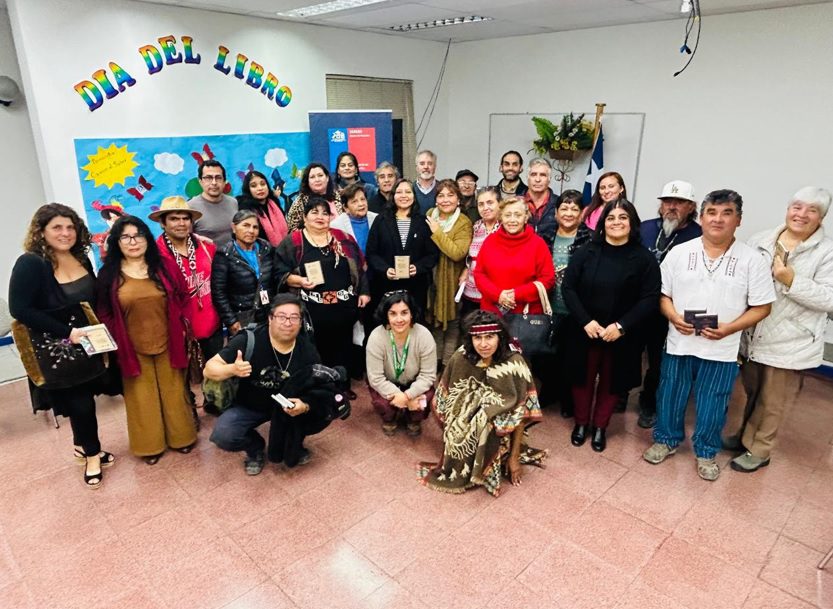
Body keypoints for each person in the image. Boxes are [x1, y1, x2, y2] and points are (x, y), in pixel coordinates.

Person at [643, 189, 775, 481]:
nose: (718, 219)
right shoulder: (680, 253)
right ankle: (665, 439)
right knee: (670, 394)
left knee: (713, 402)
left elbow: (763, 306)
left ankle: (705, 451)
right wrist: (673, 317)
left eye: (727, 213)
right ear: (701, 217)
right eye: (712, 213)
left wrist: (729, 328)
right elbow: (663, 295)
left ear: (738, 220)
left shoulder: (752, 260)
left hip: (721, 347)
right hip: (679, 342)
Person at [726, 187, 833, 472]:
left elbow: (829, 298)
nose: (802, 214)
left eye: (812, 210)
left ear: (821, 217)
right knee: (753, 392)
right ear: (788, 209)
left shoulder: (827, 252)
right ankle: (745, 437)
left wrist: (791, 280)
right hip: (753, 334)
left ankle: (760, 449)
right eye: (797, 207)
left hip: (791, 338)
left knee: (772, 401)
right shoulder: (761, 240)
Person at [9, 203, 114, 489]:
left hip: (88, 341)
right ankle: (92, 455)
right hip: (61, 345)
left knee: (86, 397)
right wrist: (68, 332)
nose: (65, 233)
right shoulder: (31, 263)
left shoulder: (81, 257)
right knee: (81, 403)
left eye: (70, 227)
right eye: (57, 227)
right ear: (41, 232)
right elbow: (20, 309)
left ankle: (82, 445)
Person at [97, 216, 197, 465]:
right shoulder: (108, 274)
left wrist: (182, 327)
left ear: (147, 238)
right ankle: (149, 446)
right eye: (126, 237)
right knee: (141, 397)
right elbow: (104, 311)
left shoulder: (164, 265)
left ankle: (182, 438)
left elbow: (184, 296)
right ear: (117, 242)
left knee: (174, 391)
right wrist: (116, 338)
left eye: (138, 235)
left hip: (169, 340)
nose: (133, 242)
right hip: (131, 345)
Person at [561, 200, 660, 452]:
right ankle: (581, 423)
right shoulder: (586, 251)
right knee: (582, 379)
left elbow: (650, 298)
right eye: (611, 217)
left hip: (622, 334)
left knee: (612, 381)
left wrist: (622, 326)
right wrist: (585, 320)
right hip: (585, 329)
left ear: (632, 222)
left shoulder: (645, 259)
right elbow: (568, 288)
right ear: (603, 223)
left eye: (622, 217)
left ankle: (600, 427)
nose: (616, 222)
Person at [418, 310, 548, 496]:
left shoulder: (515, 364)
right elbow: (445, 396)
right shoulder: (461, 357)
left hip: (501, 423)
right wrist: (460, 419)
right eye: (477, 338)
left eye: (489, 337)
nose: (484, 344)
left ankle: (493, 457)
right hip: (466, 417)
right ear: (470, 339)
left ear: (500, 337)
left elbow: (523, 412)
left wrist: (514, 459)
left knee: (486, 425)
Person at [206, 294, 330, 473]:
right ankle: (255, 448)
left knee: (320, 412)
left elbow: (318, 389)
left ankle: (293, 443)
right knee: (224, 434)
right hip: (250, 405)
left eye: (294, 317)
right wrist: (232, 369)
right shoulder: (249, 340)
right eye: (282, 316)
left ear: (300, 322)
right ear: (270, 319)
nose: (288, 323)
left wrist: (304, 405)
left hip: (286, 408)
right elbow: (209, 369)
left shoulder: (307, 351)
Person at [274, 196, 370, 382]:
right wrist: (299, 280)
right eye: (314, 212)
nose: (320, 217)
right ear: (304, 217)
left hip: (344, 308)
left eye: (325, 213)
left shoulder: (344, 238)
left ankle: (342, 386)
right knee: (315, 351)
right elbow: (280, 274)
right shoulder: (293, 242)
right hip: (311, 311)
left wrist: (364, 292)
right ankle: (320, 387)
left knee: (343, 348)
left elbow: (360, 268)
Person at [635, 180, 702, 428]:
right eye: (667, 201)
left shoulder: (699, 236)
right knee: (628, 353)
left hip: (670, 309)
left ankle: (649, 402)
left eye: (679, 202)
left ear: (691, 206)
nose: (672, 207)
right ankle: (620, 394)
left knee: (658, 361)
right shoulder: (644, 228)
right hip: (637, 305)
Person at [542, 189, 590, 417]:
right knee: (547, 355)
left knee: (571, 357)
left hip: (577, 309)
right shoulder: (545, 235)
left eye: (574, 209)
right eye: (564, 208)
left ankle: (568, 399)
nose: (569, 213)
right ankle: (549, 391)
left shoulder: (590, 239)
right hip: (547, 306)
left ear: (581, 214)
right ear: (556, 212)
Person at [366, 291, 437, 436]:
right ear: (386, 315)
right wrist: (405, 399)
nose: (399, 319)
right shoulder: (376, 337)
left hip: (414, 382)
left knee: (426, 399)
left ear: (412, 314)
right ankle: (389, 418)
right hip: (387, 382)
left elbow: (428, 376)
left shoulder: (424, 335)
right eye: (393, 314)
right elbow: (376, 378)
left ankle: (414, 419)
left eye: (404, 313)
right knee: (383, 404)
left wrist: (407, 396)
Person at [366, 178, 439, 319]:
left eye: (408, 192)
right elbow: (372, 253)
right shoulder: (381, 220)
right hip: (386, 285)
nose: (404, 195)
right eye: (399, 192)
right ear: (393, 196)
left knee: (414, 323)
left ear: (414, 196)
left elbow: (432, 254)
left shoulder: (423, 222)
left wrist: (418, 267)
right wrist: (385, 269)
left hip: (415, 286)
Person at [473, 196, 555, 317]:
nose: (512, 220)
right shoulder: (490, 241)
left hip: (526, 315)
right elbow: (479, 274)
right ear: (501, 217)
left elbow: (548, 279)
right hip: (491, 313)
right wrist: (498, 295)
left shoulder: (538, 244)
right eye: (507, 215)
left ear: (525, 218)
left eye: (517, 215)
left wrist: (516, 294)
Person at [427, 179, 473, 368]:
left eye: (450, 195)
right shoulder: (430, 215)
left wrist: (437, 233)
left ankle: (448, 365)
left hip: (452, 281)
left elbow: (457, 252)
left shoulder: (463, 222)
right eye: (441, 195)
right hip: (431, 279)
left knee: (452, 324)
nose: (445, 199)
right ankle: (435, 363)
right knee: (433, 322)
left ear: (458, 199)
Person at [211, 210, 277, 336]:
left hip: (267, 313)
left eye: (255, 227)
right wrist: (231, 321)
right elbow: (218, 292)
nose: (251, 231)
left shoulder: (266, 249)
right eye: (246, 225)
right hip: (241, 317)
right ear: (234, 227)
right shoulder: (224, 254)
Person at [459, 186, 501, 319]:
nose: (485, 208)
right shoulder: (476, 226)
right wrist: (466, 269)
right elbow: (471, 256)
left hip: (495, 293)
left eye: (490, 203)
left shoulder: (505, 227)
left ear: (499, 204)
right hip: (471, 289)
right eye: (481, 204)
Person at [190, 159, 237, 248]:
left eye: (218, 178)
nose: (214, 183)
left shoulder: (233, 203)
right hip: (206, 256)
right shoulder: (190, 207)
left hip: (234, 255)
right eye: (208, 178)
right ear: (200, 181)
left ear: (224, 181)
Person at [285, 162, 343, 232]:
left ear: (327, 178)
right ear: (308, 181)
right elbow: (292, 230)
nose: (317, 180)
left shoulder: (338, 196)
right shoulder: (301, 201)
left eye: (320, 175)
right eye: (312, 177)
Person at [237, 169, 289, 246]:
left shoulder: (274, 202)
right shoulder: (246, 210)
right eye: (254, 186)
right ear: (248, 190)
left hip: (284, 249)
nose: (260, 188)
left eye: (263, 184)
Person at [330, 182, 378, 255]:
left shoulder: (377, 219)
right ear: (346, 208)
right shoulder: (336, 225)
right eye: (354, 201)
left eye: (363, 199)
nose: (361, 204)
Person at [523, 158, 559, 246]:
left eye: (543, 175)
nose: (537, 179)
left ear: (549, 179)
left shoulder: (559, 204)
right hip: (521, 252)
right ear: (528, 177)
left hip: (549, 252)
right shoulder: (516, 202)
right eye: (533, 174)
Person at [414, 150, 438, 214]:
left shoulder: (442, 188)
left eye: (430, 164)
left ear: (435, 167)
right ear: (417, 168)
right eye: (422, 164)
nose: (426, 167)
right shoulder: (410, 189)